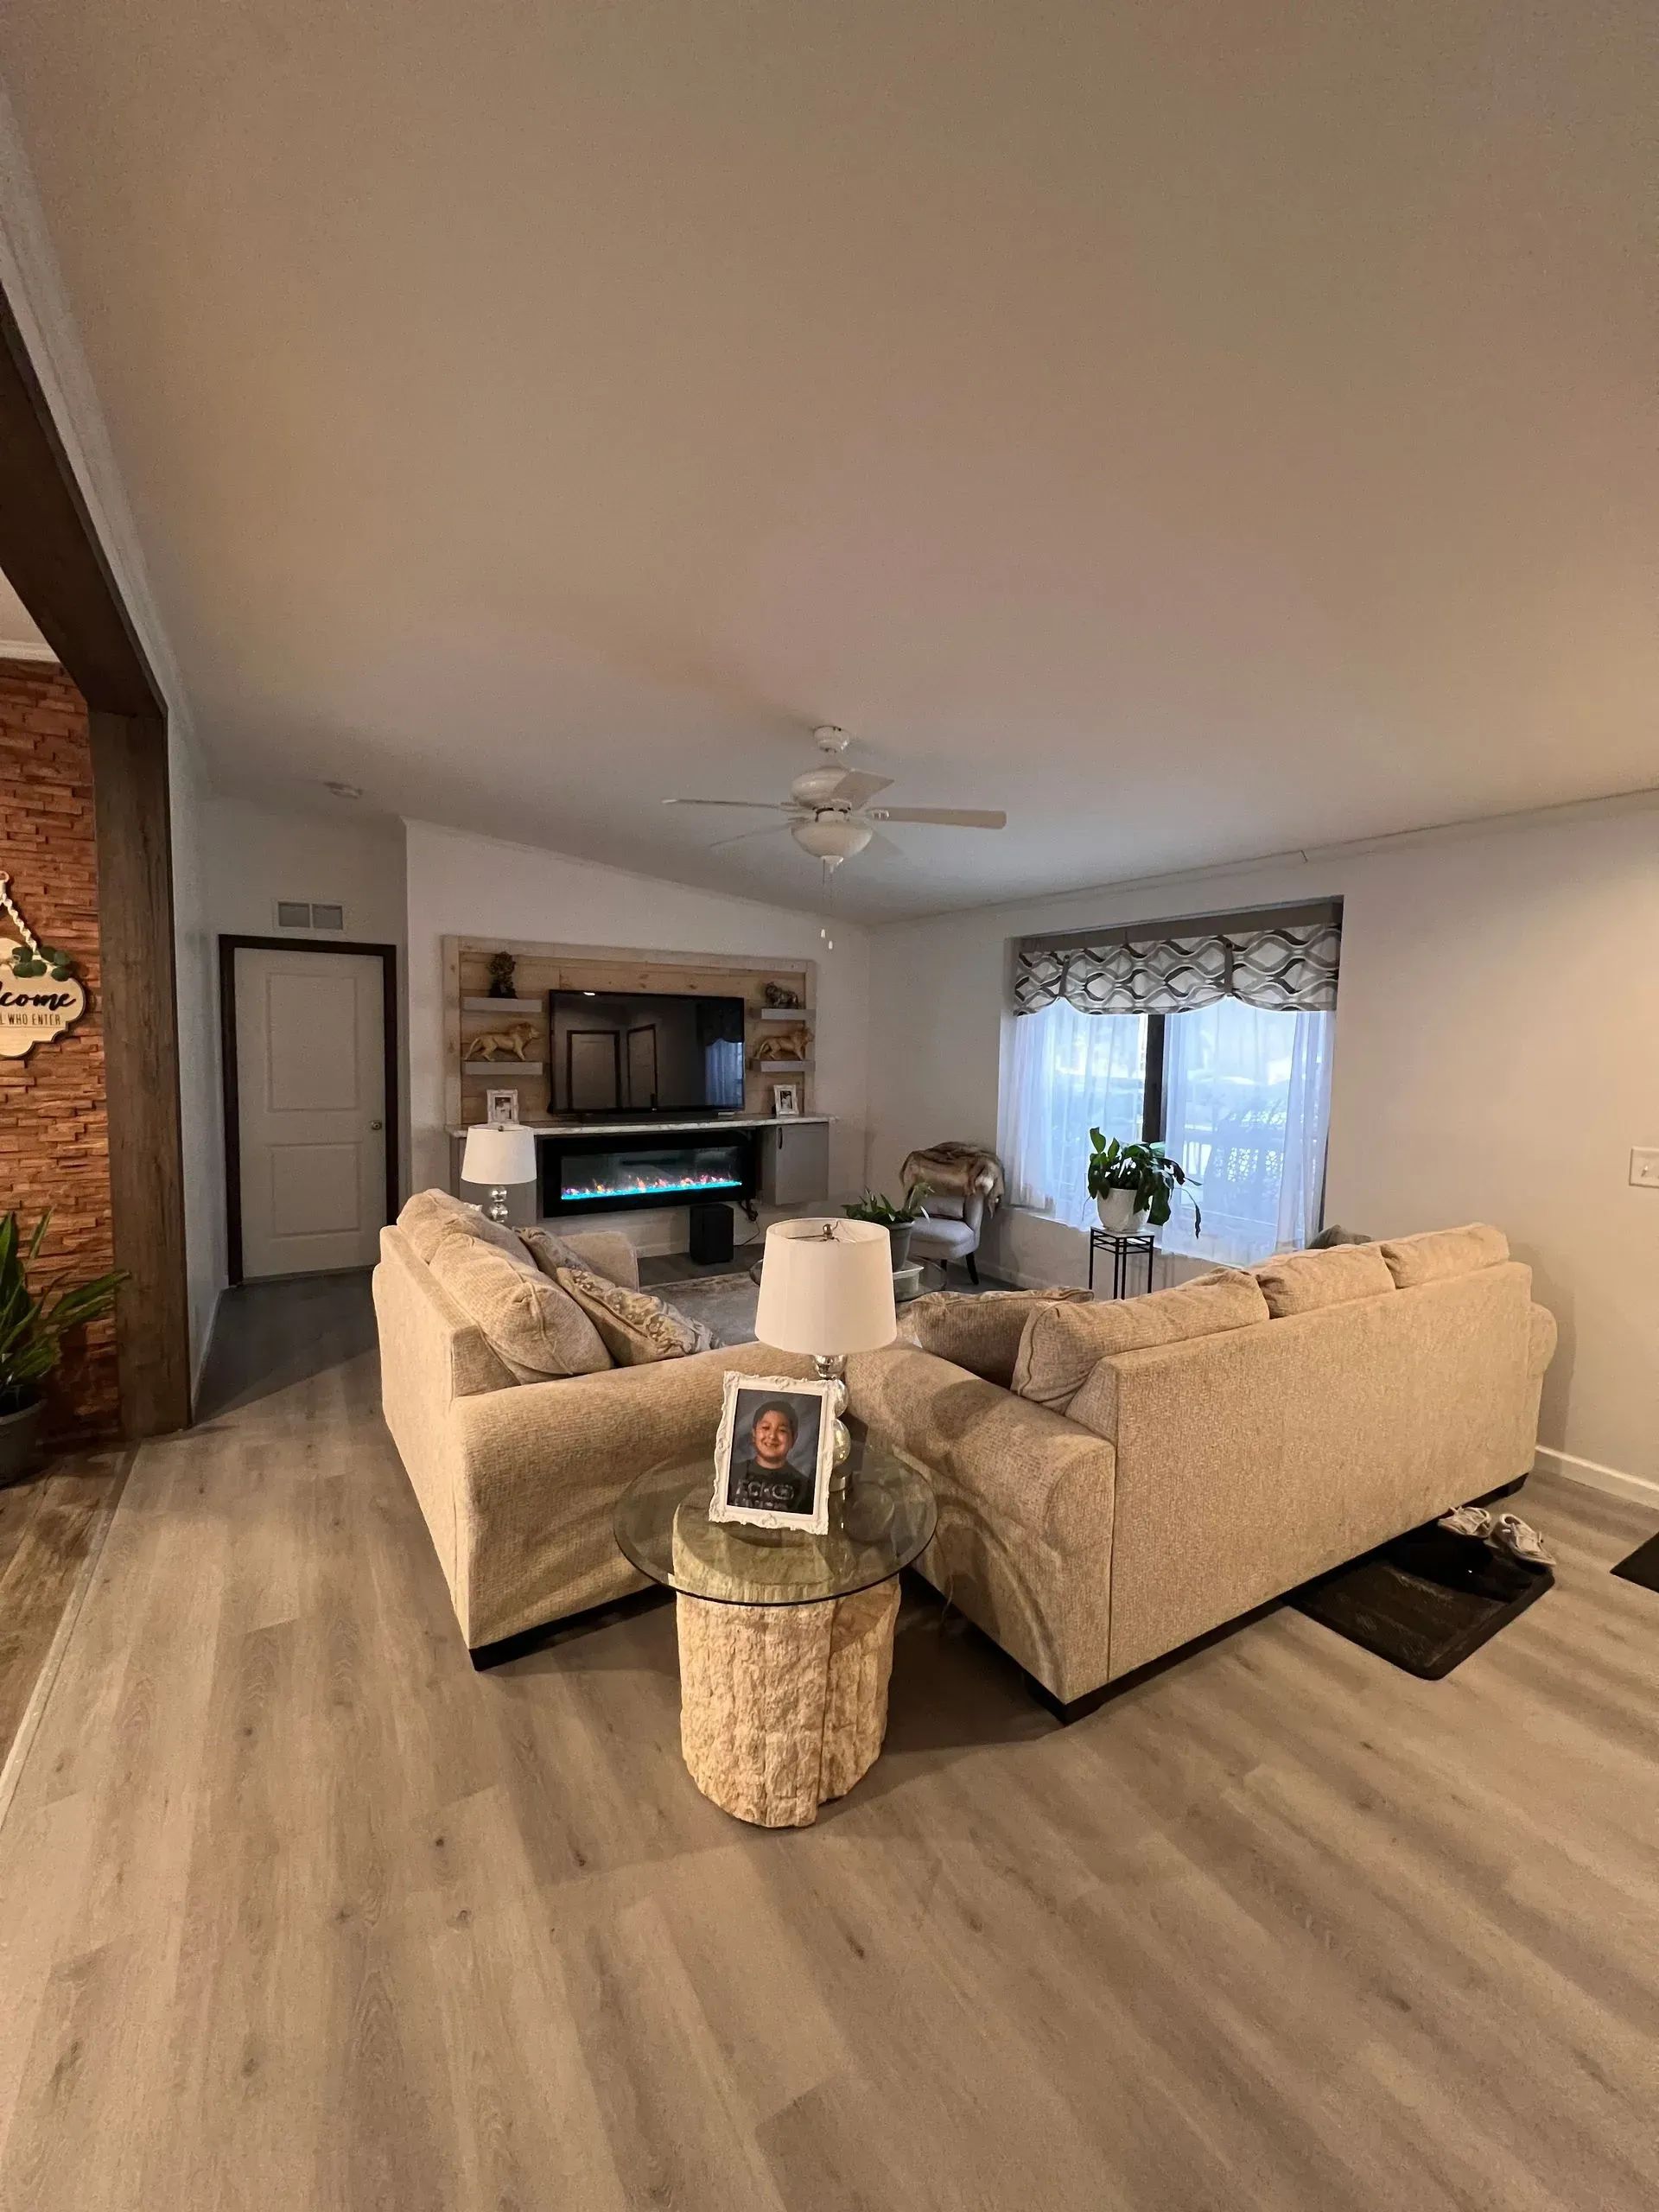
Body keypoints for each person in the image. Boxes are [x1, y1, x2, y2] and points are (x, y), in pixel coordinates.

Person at [728, 1397, 815, 1515]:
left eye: (782, 1430)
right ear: (753, 1434)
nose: (772, 1436)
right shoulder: (732, 1473)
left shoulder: (805, 1488)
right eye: (766, 1428)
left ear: (794, 1438)